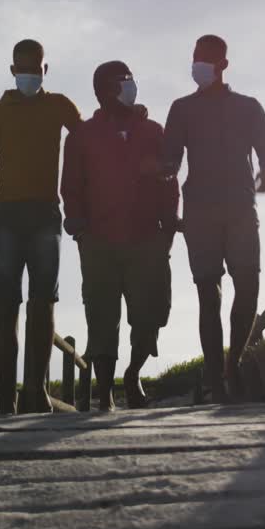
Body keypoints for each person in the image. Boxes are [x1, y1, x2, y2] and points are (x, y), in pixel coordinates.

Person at [161, 34, 265, 403]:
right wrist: (160, 171)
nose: (199, 64)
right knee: (207, 294)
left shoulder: (249, 107)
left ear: (223, 65)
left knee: (248, 287)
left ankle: (234, 363)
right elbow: (170, 160)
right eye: (196, 57)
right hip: (199, 214)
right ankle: (216, 380)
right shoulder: (181, 109)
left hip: (241, 209)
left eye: (207, 59)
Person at [62, 61, 178, 411]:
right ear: (104, 91)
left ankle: (134, 372)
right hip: (98, 242)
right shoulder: (81, 136)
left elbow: (169, 182)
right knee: (101, 315)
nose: (130, 87)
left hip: (147, 239)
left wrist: (168, 227)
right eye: (122, 82)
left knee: (150, 314)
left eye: (131, 80)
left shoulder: (154, 132)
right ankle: (106, 391)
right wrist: (80, 228)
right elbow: (70, 187)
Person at [0, 39, 82, 414]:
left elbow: (87, 139)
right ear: (12, 70)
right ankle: (6, 397)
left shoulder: (59, 106)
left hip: (45, 215)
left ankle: (36, 392)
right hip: (4, 215)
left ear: (45, 69)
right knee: (6, 308)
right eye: (22, 70)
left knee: (43, 303)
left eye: (35, 69)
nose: (29, 76)